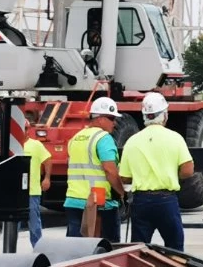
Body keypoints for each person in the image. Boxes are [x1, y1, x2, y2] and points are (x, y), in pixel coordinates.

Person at [118, 92, 194, 250]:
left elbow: (124, 178)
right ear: (165, 115)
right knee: (175, 248)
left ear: (145, 116)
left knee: (139, 250)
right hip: (167, 201)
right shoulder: (175, 138)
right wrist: (171, 175)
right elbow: (188, 170)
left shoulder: (132, 141)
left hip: (141, 202)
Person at [65, 97, 126, 240]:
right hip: (98, 203)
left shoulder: (76, 138)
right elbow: (110, 170)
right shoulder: (103, 138)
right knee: (106, 250)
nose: (115, 123)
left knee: (76, 251)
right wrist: (122, 193)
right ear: (99, 118)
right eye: (111, 118)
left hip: (74, 200)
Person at [23, 132, 53, 246]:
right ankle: (10, 249)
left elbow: (48, 161)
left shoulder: (36, 145)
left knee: (34, 223)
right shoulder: (12, 144)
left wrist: (47, 178)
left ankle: (38, 247)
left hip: (32, 191)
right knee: (12, 223)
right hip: (15, 192)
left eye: (24, 128)